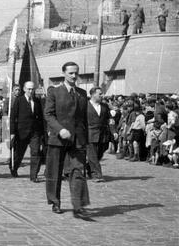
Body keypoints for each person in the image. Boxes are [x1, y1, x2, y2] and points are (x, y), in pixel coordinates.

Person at [44, 62, 90, 219]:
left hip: (77, 140)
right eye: (70, 73)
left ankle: (78, 206)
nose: (74, 76)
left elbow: (84, 120)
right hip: (58, 139)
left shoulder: (82, 94)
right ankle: (55, 202)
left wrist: (86, 143)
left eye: (76, 73)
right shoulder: (54, 92)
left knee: (78, 171)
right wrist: (60, 129)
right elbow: (48, 114)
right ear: (64, 73)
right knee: (55, 171)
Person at [9, 81, 44, 183]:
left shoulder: (37, 101)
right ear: (24, 89)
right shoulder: (19, 100)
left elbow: (40, 118)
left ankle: (34, 175)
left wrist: (42, 133)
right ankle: (14, 168)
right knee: (19, 154)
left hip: (35, 133)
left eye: (32, 89)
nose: (31, 91)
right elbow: (13, 117)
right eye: (29, 89)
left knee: (36, 152)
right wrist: (12, 132)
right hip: (21, 132)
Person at [86, 87, 113, 182]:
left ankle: (89, 169)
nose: (102, 96)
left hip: (103, 134)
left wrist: (114, 131)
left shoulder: (105, 106)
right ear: (93, 94)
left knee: (99, 155)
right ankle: (97, 175)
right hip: (90, 134)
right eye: (100, 94)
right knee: (93, 155)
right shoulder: (85, 106)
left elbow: (110, 120)